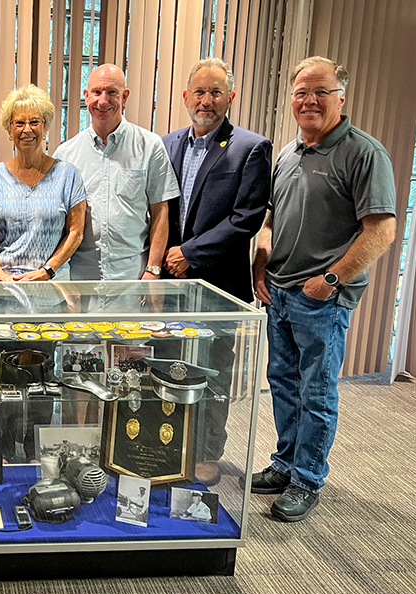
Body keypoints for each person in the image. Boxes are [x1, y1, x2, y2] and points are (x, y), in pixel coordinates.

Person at [252, 56, 396, 522]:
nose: (309, 100)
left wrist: (331, 280)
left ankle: (307, 479)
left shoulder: (363, 153)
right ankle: (286, 463)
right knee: (284, 385)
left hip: (322, 300)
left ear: (341, 96)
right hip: (279, 293)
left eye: (321, 91)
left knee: (316, 392)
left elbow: (381, 231)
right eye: (301, 92)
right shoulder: (288, 154)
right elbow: (272, 220)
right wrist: (261, 265)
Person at [161, 58, 272, 484]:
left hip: (218, 284)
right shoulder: (167, 144)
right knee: (165, 365)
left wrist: (190, 251)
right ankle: (167, 444)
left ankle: (207, 452)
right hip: (169, 284)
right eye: (200, 92)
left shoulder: (249, 147)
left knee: (213, 374)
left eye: (216, 92)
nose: (207, 100)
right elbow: (160, 211)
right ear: (186, 97)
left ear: (231, 97)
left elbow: (246, 218)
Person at [53, 64, 179, 280]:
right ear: (86, 95)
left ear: (125, 96)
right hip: (80, 281)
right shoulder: (66, 154)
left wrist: (153, 270)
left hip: (132, 279)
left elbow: (160, 211)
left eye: (112, 92)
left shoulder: (150, 146)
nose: (103, 101)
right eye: (96, 92)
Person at [0, 85, 87, 281]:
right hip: (3, 290)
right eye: (19, 123)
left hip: (52, 289)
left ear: (45, 127)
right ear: (9, 130)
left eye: (34, 122)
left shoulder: (68, 175)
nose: (27, 129)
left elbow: (76, 232)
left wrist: (47, 271)